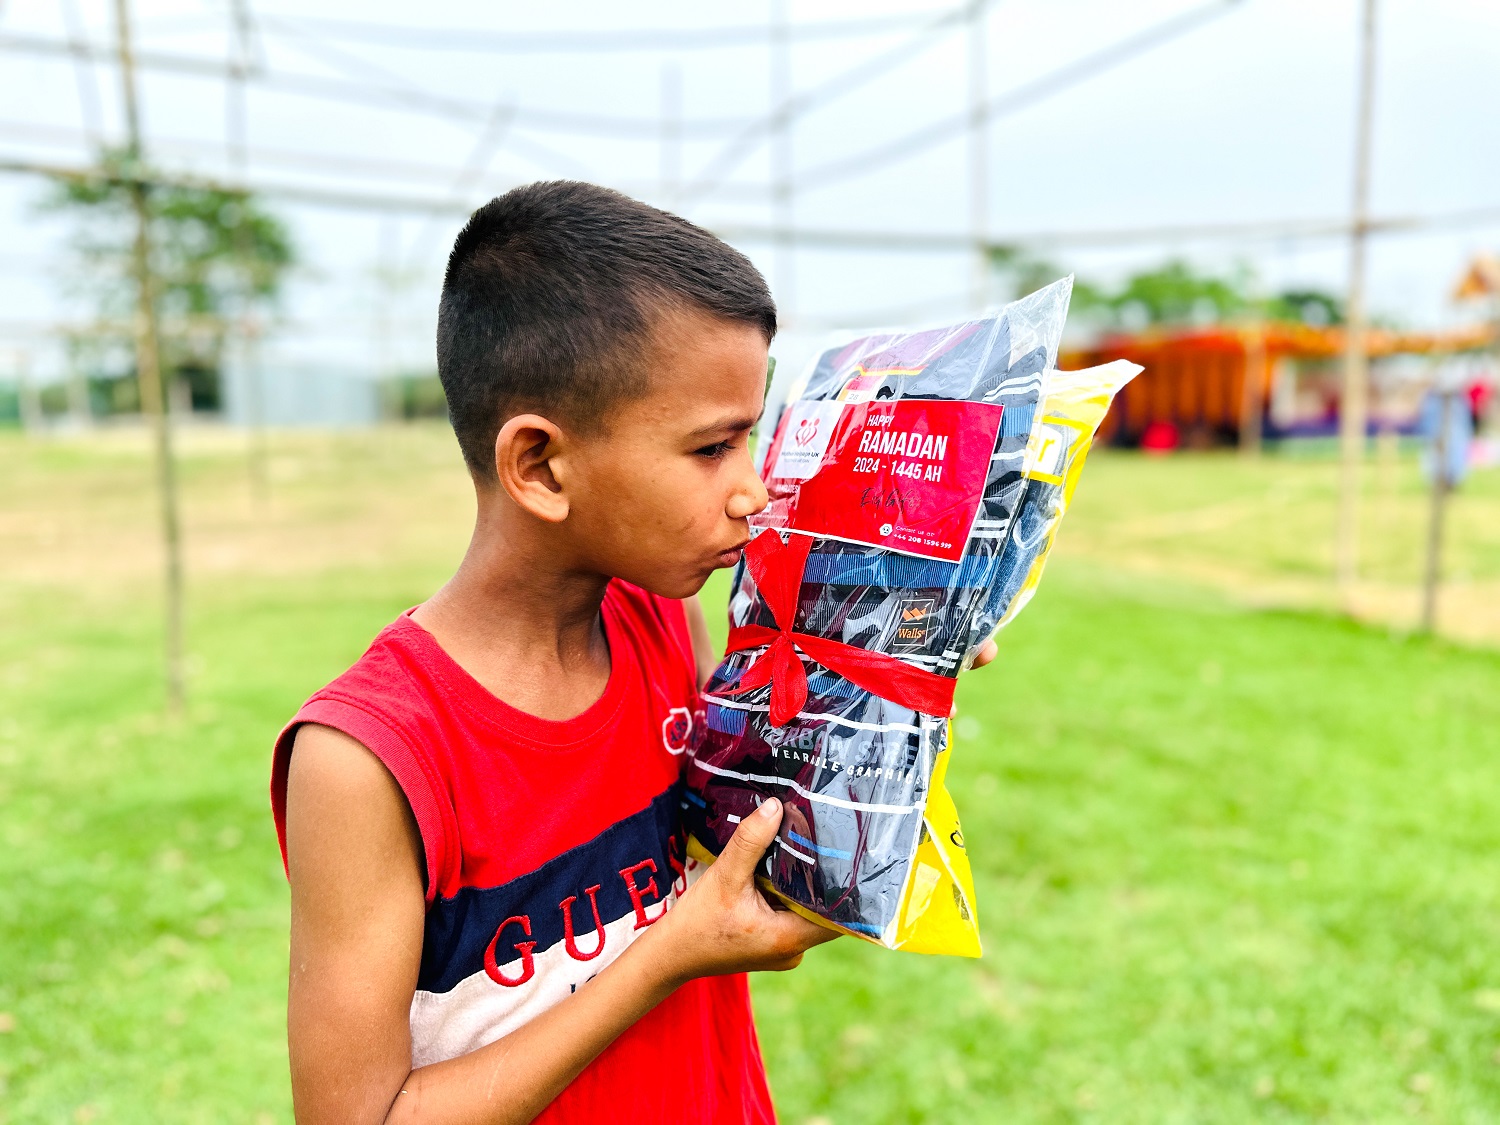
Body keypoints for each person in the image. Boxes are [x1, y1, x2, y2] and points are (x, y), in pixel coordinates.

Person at [270, 181, 996, 1124]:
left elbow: (743, 825)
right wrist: (666, 957)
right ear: (540, 466)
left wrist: (882, 662)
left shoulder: (659, 620)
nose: (752, 489)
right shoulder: (367, 759)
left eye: (751, 436)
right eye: (712, 448)